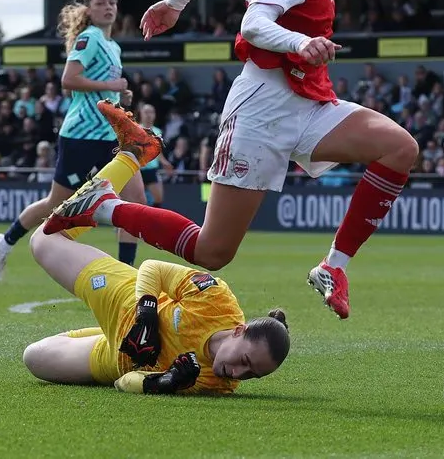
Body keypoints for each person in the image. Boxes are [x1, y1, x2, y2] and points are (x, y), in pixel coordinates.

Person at [44, 0, 420, 321]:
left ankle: (333, 267)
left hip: (306, 103)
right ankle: (103, 206)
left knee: (399, 148)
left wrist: (173, 3)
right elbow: (253, 24)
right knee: (212, 250)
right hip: (260, 112)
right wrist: (300, 43)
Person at [23, 125, 290, 395]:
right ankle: (131, 157)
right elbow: (153, 268)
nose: (236, 373)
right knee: (43, 240)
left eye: (251, 375)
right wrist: (147, 317)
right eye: (244, 361)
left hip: (117, 358)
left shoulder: (215, 383)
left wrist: (163, 382)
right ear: (238, 331)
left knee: (33, 359)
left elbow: (124, 381)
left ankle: (112, 185)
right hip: (123, 300)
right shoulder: (216, 302)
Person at [0, 0, 145, 282]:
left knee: (135, 198)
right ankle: (6, 241)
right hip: (82, 136)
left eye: (112, 2)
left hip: (110, 135)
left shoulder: (114, 45)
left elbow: (100, 88)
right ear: (89, 10)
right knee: (54, 204)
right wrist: (111, 87)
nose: (109, 7)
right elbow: (69, 80)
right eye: (101, 3)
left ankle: (128, 276)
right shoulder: (90, 38)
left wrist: (120, 99)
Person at [137, 103, 175, 207]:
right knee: (137, 201)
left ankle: (152, 222)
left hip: (152, 170)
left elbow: (157, 152)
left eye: (151, 112)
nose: (149, 115)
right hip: (137, 170)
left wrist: (165, 163)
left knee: (158, 199)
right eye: (146, 112)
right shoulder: (135, 129)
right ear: (141, 114)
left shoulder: (158, 131)